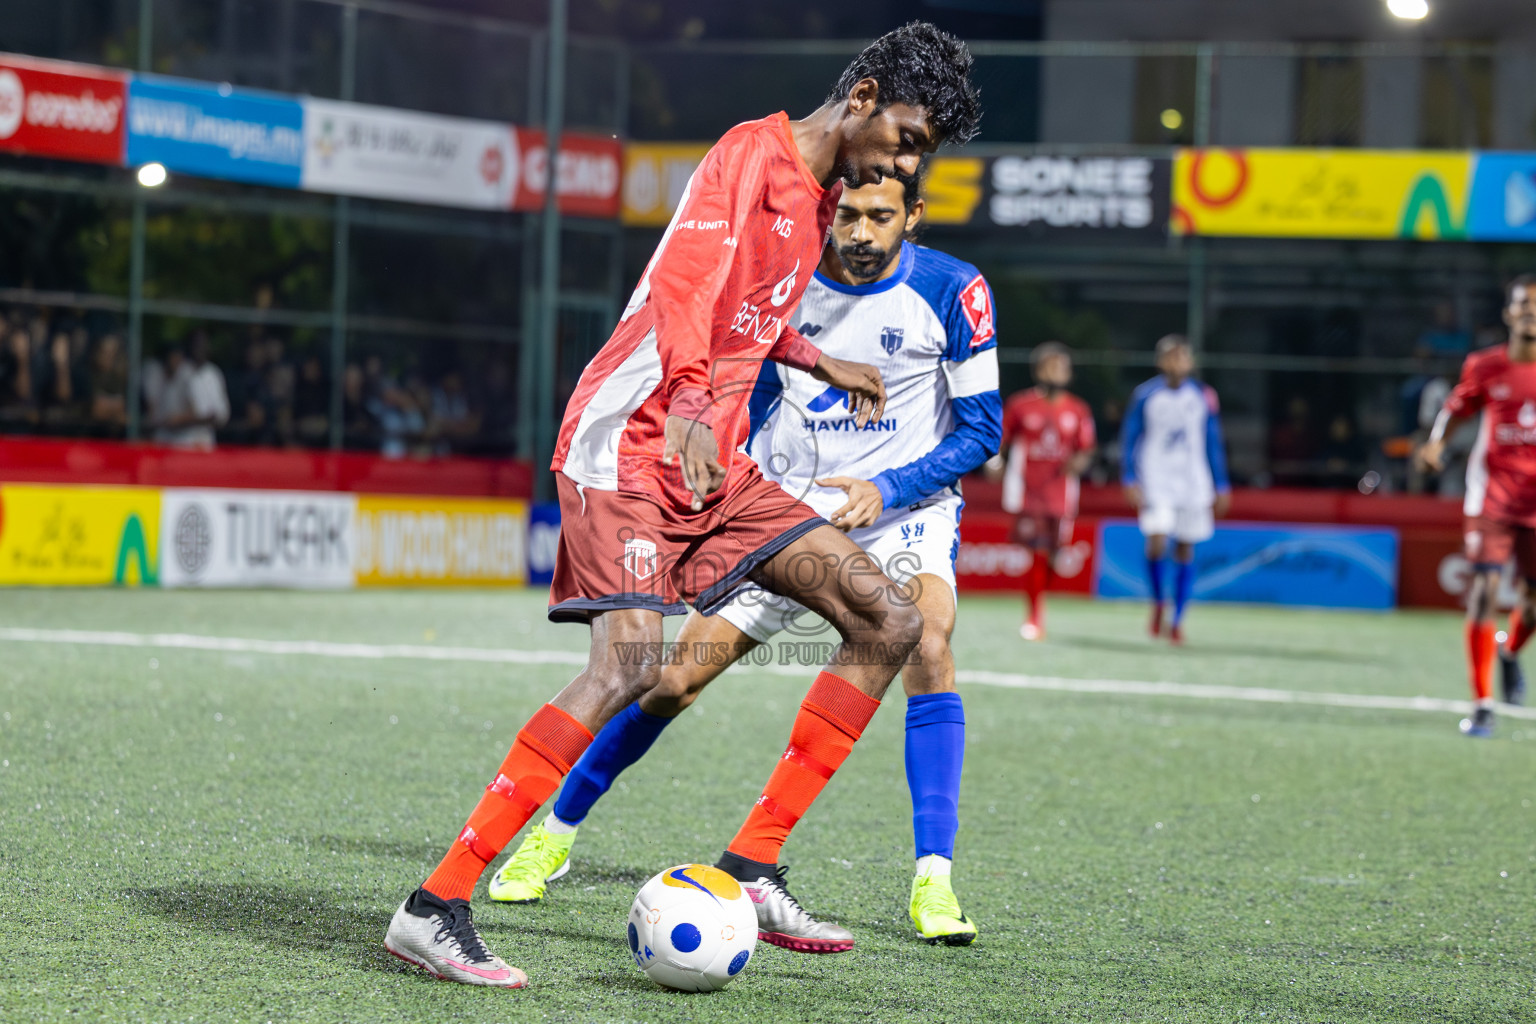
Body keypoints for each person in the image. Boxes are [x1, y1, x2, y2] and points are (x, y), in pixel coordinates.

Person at [382, 22, 981, 989]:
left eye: (924, 154)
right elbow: (687, 288)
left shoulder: (823, 192)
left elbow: (752, 304)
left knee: (889, 617)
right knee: (629, 663)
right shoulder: (751, 153)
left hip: (712, 460)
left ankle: (751, 866)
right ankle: (435, 904)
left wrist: (812, 356)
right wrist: (701, 401)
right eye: (909, 138)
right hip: (630, 437)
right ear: (863, 97)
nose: (909, 163)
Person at [486, 172, 1000, 949]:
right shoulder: (780, 283)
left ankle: (934, 876)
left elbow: (981, 430)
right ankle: (556, 829)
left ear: (914, 217)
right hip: (781, 510)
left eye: (880, 217)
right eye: (848, 216)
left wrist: (888, 485)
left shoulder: (954, 291)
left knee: (926, 639)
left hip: (902, 512)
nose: (860, 233)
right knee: (670, 678)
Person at [1417, 274, 1536, 738]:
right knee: (1485, 591)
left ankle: (1508, 654)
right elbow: (1455, 408)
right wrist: (1434, 444)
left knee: (1532, 604)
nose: (1531, 313)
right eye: (1523, 305)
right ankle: (1482, 704)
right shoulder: (1486, 365)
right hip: (1490, 498)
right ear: (1509, 313)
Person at [1120, 335, 1231, 645]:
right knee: (1156, 542)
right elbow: (1130, 438)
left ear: (1191, 362)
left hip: (1193, 481)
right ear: (1160, 362)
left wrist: (1221, 483)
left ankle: (1178, 619)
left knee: (1185, 546)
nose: (1176, 362)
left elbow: (1213, 441)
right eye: (1170, 357)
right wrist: (1129, 478)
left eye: (1182, 357)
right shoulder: (1145, 395)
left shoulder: (1204, 396)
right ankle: (1158, 602)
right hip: (1156, 478)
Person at [996, 343, 1095, 640]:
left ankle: (1039, 604)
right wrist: (995, 463)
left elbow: (1086, 448)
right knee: (1037, 550)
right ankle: (1034, 615)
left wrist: (1081, 460)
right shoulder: (1020, 405)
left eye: (1062, 366)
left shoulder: (1077, 409)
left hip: (1062, 494)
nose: (1057, 372)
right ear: (1038, 370)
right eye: (1051, 366)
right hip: (1028, 492)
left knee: (1054, 554)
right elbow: (1001, 439)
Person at [152, 333, 230, 451]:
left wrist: (205, 417)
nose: (200, 349)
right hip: (180, 443)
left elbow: (221, 413)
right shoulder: (181, 372)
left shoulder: (213, 373)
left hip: (205, 442)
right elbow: (170, 415)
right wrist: (198, 418)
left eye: (203, 345)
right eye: (196, 345)